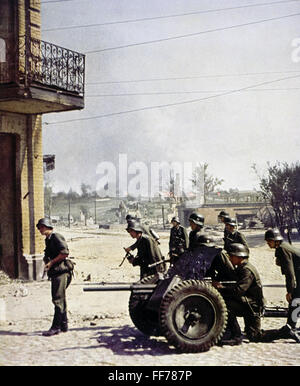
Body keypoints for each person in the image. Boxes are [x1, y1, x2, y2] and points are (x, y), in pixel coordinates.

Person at [213, 243, 265, 345]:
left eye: (231, 256)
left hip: (252, 306)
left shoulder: (247, 270)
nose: (230, 259)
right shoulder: (242, 267)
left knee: (254, 336)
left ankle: (236, 336)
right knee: (252, 334)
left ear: (239, 257)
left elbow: (238, 291)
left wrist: (221, 288)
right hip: (247, 302)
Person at [261, 229, 300, 343]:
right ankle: (290, 327)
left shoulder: (283, 249)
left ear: (275, 241)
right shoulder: (283, 246)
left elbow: (289, 273)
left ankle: (289, 327)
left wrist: (290, 291)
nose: (268, 244)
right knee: (296, 302)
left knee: (295, 300)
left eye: (269, 241)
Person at [36, 218, 73, 337]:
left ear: (47, 226)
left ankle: (55, 327)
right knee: (60, 298)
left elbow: (64, 253)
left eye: (41, 227)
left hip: (61, 272)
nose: (40, 230)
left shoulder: (56, 236)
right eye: (39, 228)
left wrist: (51, 263)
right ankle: (63, 324)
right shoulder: (49, 239)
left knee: (57, 299)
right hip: (56, 272)